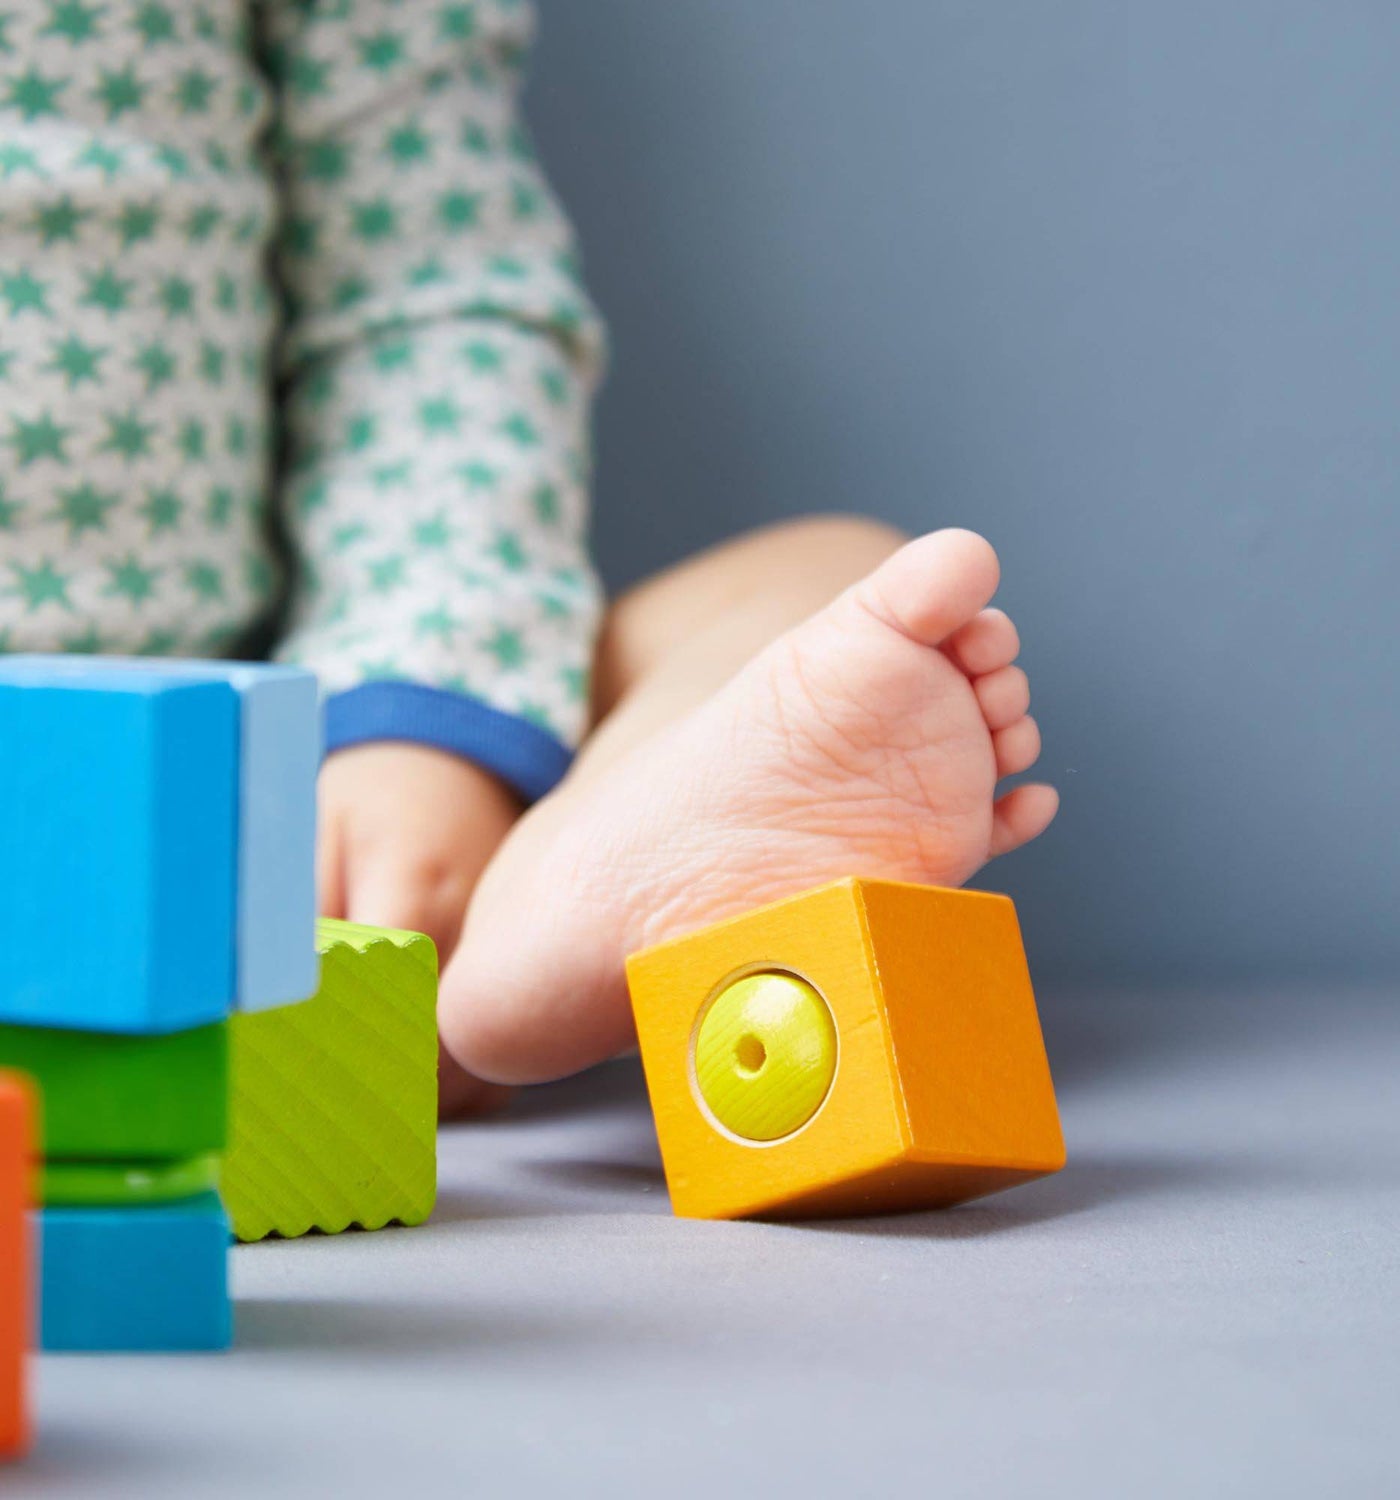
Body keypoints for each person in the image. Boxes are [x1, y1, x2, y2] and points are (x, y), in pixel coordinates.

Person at [0, 0, 1056, 1111]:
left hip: (272, 765)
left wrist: (418, 711)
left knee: (840, 573)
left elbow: (427, 302)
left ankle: (564, 892)